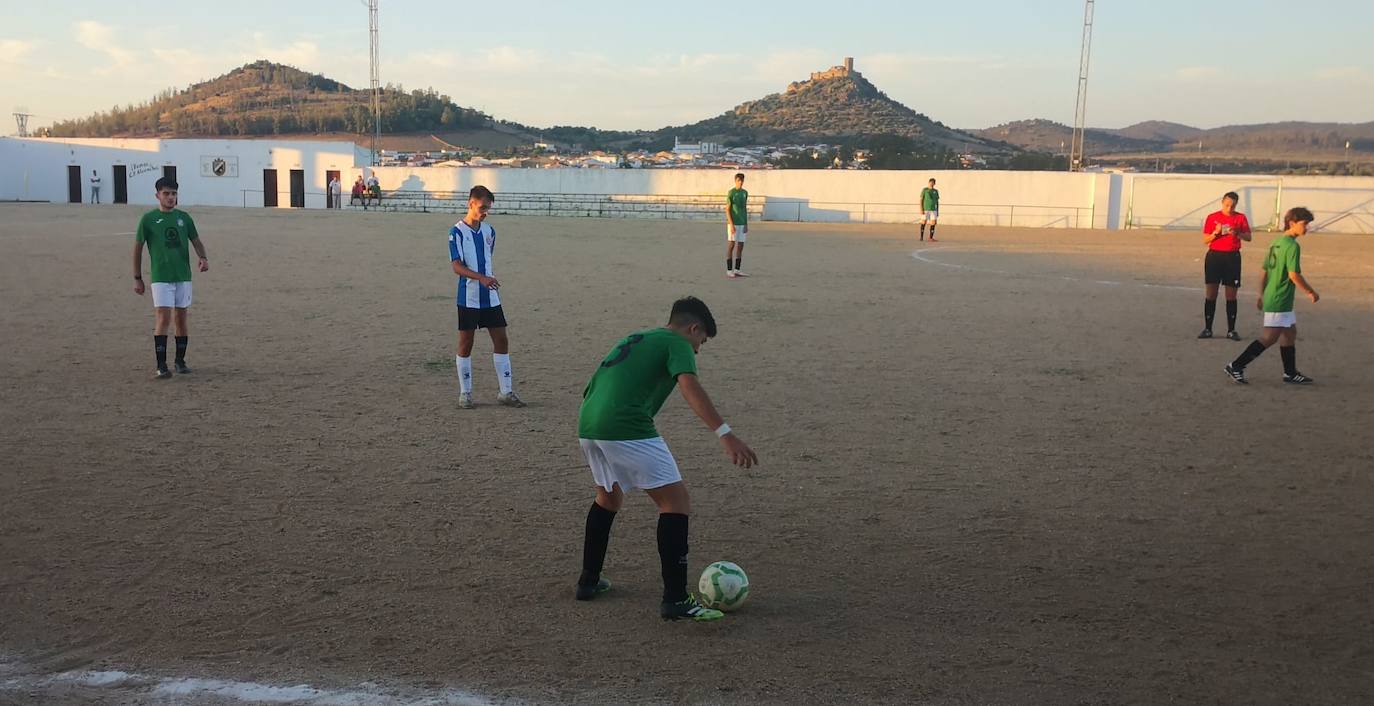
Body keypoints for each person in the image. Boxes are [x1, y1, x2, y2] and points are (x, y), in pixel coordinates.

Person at [574, 296, 759, 621]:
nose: (698, 350)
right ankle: (675, 600)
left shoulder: (637, 337)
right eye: (701, 341)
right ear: (693, 328)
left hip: (588, 422)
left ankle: (588, 581)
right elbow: (689, 386)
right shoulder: (678, 343)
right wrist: (725, 433)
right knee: (675, 502)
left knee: (608, 498)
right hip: (624, 423)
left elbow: (594, 384)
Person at [449, 185, 524, 409]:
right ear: (471, 203)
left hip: (491, 296)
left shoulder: (490, 231)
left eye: (488, 209)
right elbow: (456, 266)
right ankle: (466, 393)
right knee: (466, 343)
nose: (485, 212)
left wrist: (486, 279)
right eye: (482, 208)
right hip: (469, 297)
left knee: (501, 340)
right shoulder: (457, 232)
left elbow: (487, 259)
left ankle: (506, 391)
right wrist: (481, 278)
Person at [1224, 207, 1319, 385]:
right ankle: (1236, 365)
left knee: (1290, 333)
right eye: (1304, 224)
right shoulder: (1292, 246)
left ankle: (1290, 373)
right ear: (1292, 223)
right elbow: (1294, 275)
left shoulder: (1276, 242)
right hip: (1280, 298)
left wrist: (1261, 294)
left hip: (1274, 295)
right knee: (1269, 337)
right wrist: (1311, 292)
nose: (1307, 228)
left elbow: (1264, 272)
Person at [132, 177, 209, 380]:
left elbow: (196, 241)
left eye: (173, 193)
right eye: (166, 193)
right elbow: (137, 250)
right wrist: (137, 277)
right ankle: (161, 365)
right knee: (163, 317)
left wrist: (203, 257)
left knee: (181, 319)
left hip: (183, 275)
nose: (170, 197)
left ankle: (180, 361)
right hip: (161, 277)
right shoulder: (148, 220)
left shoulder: (184, 218)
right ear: (157, 195)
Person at [1198, 191, 1252, 340]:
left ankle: (1231, 330)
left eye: (1232, 206)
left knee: (1231, 295)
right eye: (1227, 205)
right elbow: (1205, 240)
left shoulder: (1240, 218)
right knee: (1211, 293)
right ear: (1222, 203)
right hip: (1214, 256)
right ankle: (1208, 328)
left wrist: (1237, 233)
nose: (1229, 208)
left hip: (1232, 257)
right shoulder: (1212, 217)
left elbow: (1249, 237)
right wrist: (1216, 233)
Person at [725, 173, 749, 278]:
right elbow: (727, 209)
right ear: (735, 181)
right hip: (733, 223)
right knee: (731, 245)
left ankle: (737, 269)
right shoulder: (731, 193)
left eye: (742, 180)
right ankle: (729, 270)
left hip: (742, 223)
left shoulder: (745, 193)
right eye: (739, 180)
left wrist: (746, 223)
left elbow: (744, 208)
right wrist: (731, 224)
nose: (741, 182)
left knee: (741, 246)